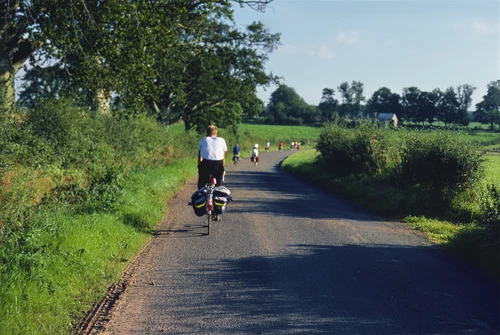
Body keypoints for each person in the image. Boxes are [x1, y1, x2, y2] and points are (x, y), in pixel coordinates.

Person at [197, 125, 227, 190]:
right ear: (216, 133)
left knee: (202, 182)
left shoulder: (203, 140)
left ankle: (201, 194)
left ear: (207, 133)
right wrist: (222, 168)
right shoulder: (222, 140)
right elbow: (223, 156)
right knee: (218, 183)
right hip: (218, 164)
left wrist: (199, 166)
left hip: (206, 163)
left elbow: (200, 157)